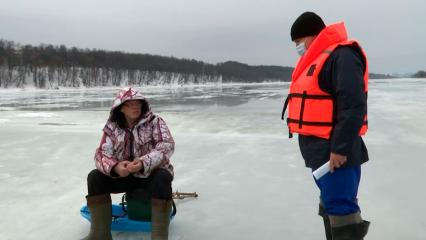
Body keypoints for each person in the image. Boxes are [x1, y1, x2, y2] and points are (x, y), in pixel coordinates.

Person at [282, 12, 370, 239]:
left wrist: (339, 149)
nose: (298, 47)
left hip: (336, 153)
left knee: (343, 212)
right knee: (331, 207)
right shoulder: (318, 59)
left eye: (299, 42)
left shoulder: (342, 56)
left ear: (313, 35)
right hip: (321, 153)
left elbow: (352, 106)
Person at [83, 87, 175, 240]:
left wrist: (142, 163)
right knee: (95, 177)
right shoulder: (112, 127)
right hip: (123, 176)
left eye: (137, 103)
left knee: (163, 177)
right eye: (129, 104)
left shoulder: (155, 122)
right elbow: (101, 154)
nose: (135, 107)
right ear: (121, 109)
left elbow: (166, 146)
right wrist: (116, 167)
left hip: (149, 175)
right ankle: (99, 235)